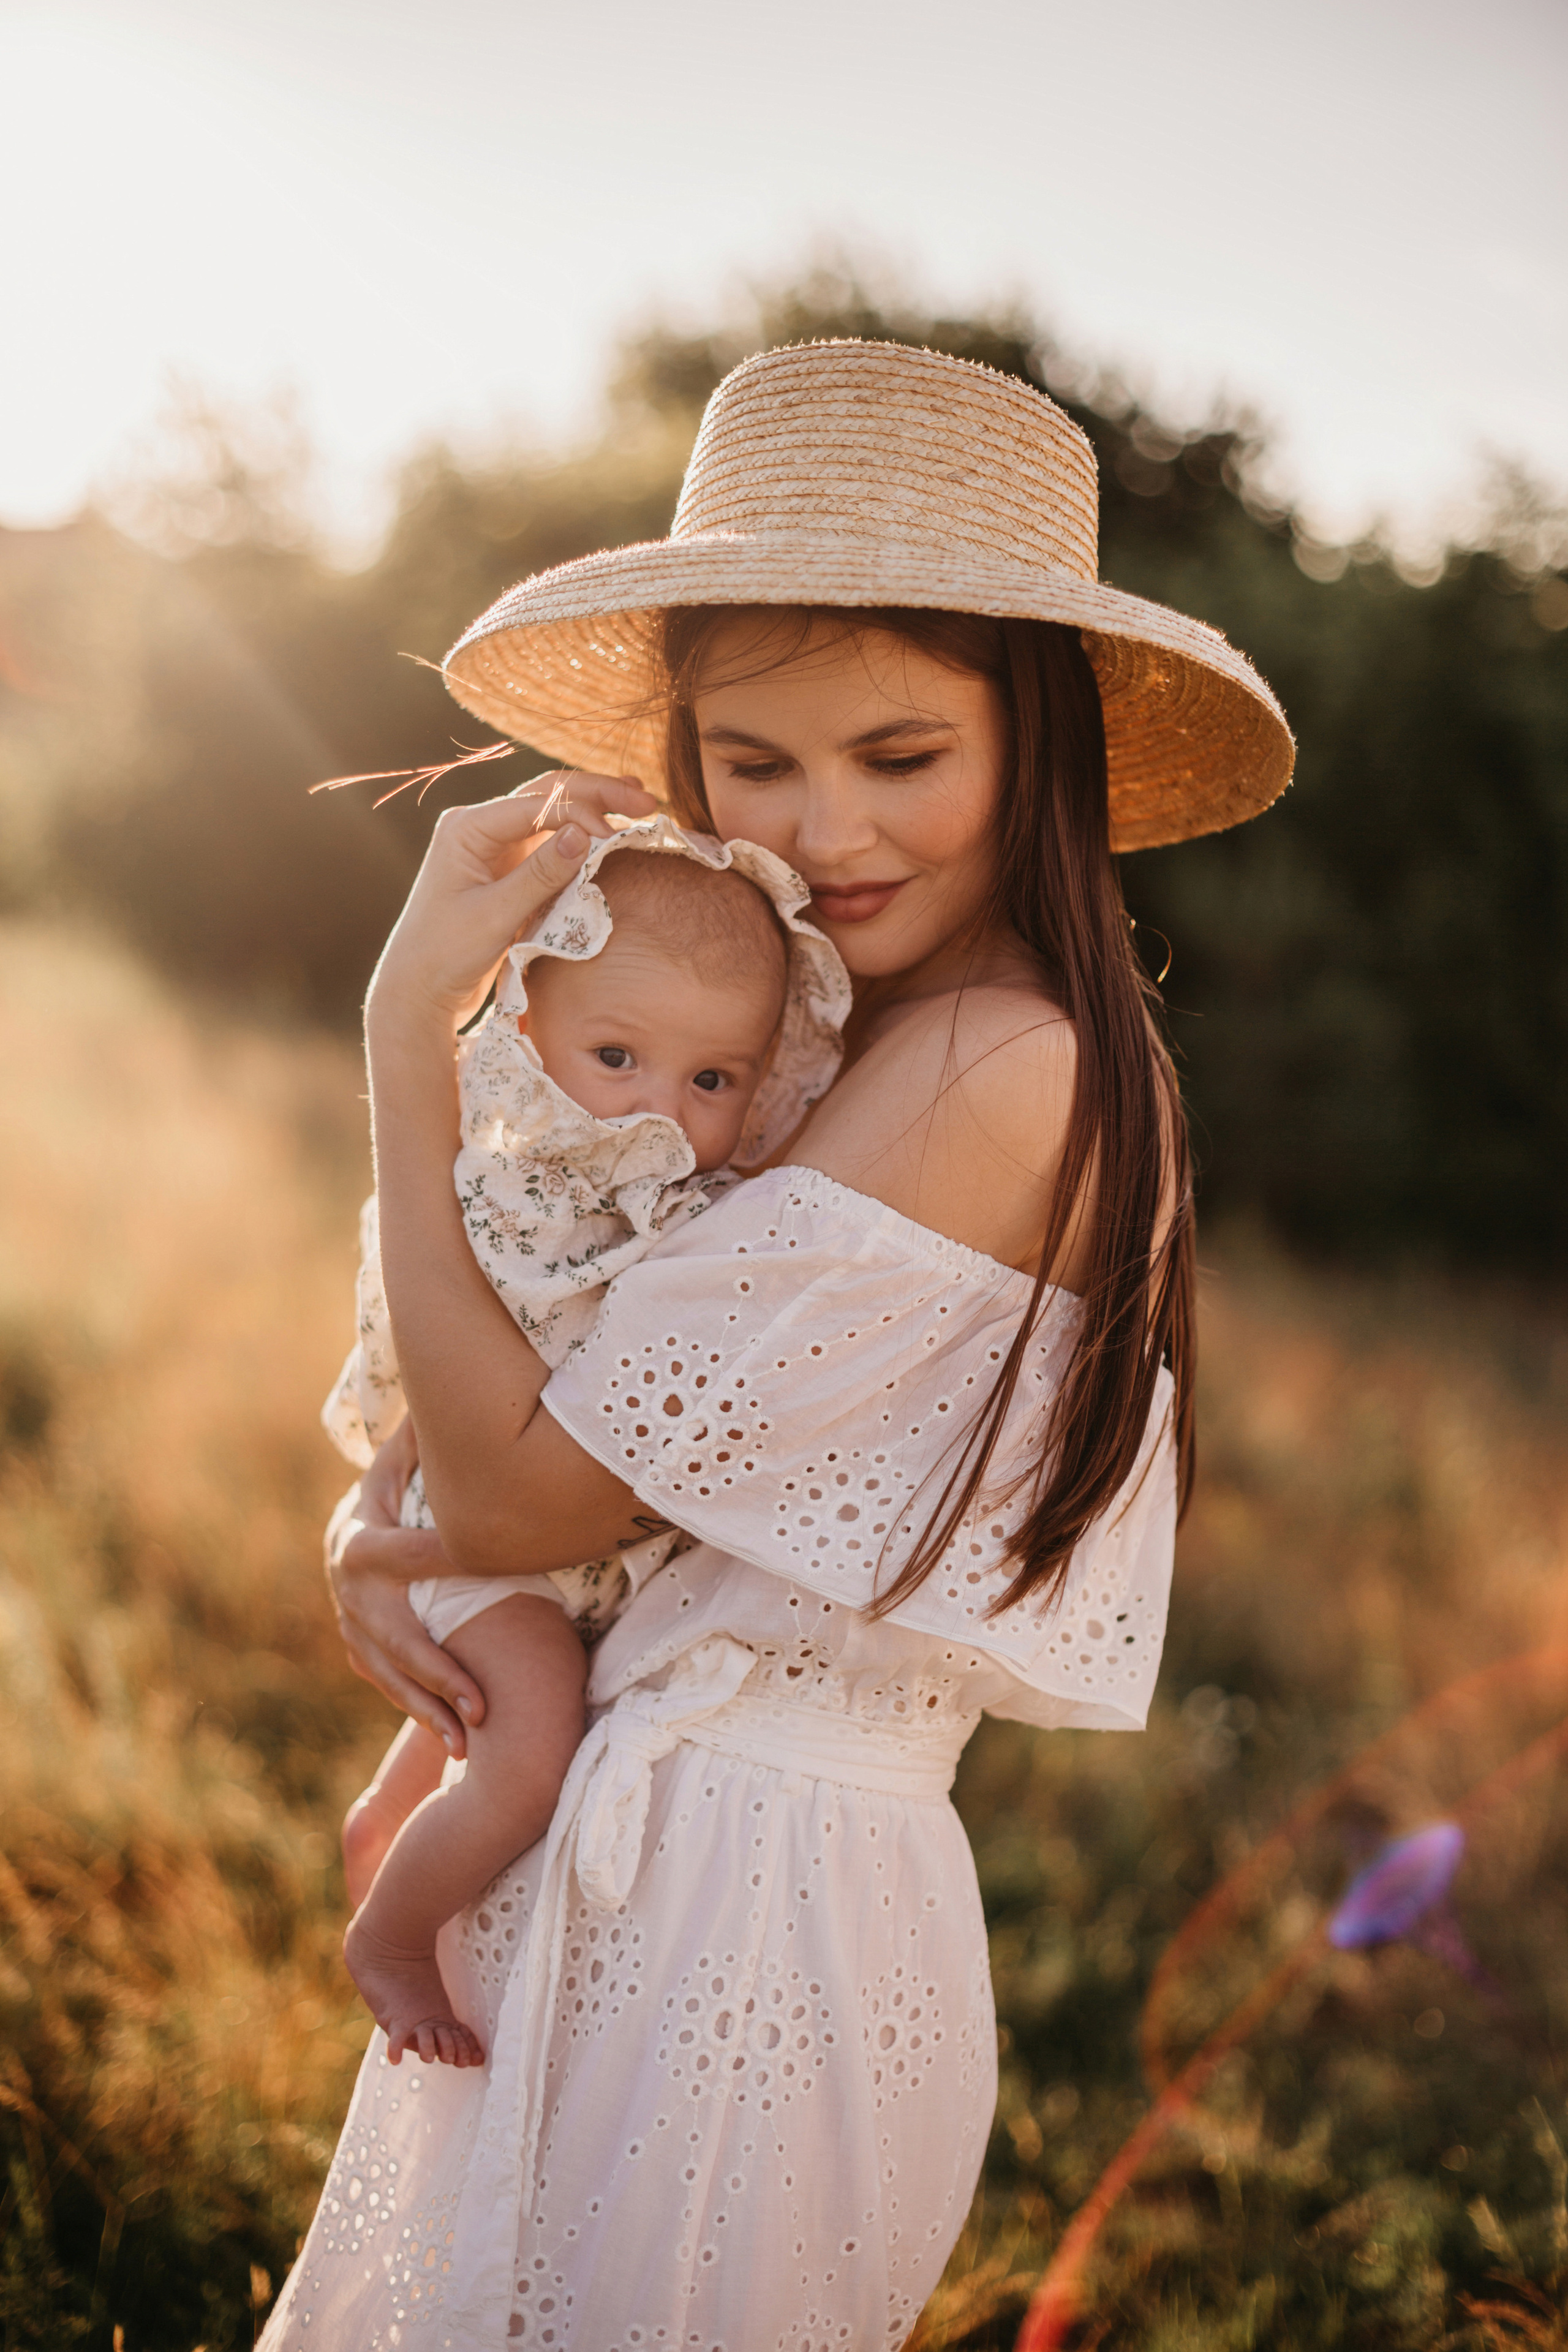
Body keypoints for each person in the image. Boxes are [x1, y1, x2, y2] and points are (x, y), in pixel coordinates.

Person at [261, 337, 1292, 2350]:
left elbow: (526, 1479)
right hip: (672, 1842)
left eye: (902, 759)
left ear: (1040, 747)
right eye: (759, 762)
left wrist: (407, 1034)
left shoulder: (994, 1064)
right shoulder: (830, 1038)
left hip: (747, 1908)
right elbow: (555, 1424)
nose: (826, 830)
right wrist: (382, 1541)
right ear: (686, 752)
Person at [325, 824, 848, 2068]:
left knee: (472, 1715)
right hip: (489, 1532)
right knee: (530, 1742)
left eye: (712, 1080)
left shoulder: (703, 1212)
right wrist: (382, 1489)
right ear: (526, 1031)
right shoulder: (514, 1188)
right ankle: (391, 1941)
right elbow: (452, 1350)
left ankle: (385, 1823)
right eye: (615, 1056)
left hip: (557, 1549)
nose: (661, 1111)